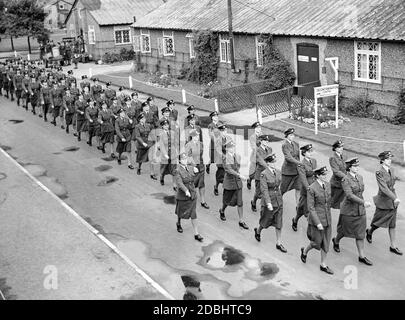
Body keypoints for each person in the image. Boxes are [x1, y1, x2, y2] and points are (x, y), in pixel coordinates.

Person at [332, 158, 373, 265]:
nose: (357, 168)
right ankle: (336, 240)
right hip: (349, 210)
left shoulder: (360, 177)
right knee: (344, 231)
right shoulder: (345, 179)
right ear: (349, 167)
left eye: (357, 166)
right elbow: (349, 195)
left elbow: (360, 191)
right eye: (354, 166)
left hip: (360, 210)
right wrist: (363, 202)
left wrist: (362, 204)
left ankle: (361, 256)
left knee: (360, 233)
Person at [366, 151, 402, 255]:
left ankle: (393, 246)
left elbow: (394, 179)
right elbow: (384, 188)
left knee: (392, 223)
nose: (390, 160)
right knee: (379, 220)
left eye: (390, 158)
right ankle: (370, 231)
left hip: (392, 199)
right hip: (384, 200)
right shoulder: (379, 172)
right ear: (382, 160)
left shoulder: (392, 169)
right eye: (387, 159)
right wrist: (395, 198)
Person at [300, 166, 334, 275]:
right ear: (318, 176)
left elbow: (328, 202)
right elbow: (311, 207)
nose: (325, 176)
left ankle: (323, 264)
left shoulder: (328, 185)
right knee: (316, 243)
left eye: (326, 174)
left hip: (327, 219)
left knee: (326, 243)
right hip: (317, 220)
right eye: (323, 174)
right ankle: (304, 251)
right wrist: (318, 222)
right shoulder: (312, 188)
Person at [254, 153, 287, 253]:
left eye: (275, 162)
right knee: (265, 220)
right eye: (272, 162)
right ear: (268, 163)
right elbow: (264, 190)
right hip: (269, 201)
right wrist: (268, 203)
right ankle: (258, 231)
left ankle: (278, 243)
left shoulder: (278, 172)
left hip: (278, 200)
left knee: (279, 222)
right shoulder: (264, 174)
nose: (274, 164)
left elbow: (279, 185)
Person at [219, 138, 249, 230]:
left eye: (233, 147)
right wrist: (240, 175)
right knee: (227, 200)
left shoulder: (237, 156)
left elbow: (237, 167)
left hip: (238, 183)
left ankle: (241, 221)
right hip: (229, 182)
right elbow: (229, 169)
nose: (232, 148)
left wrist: (242, 174)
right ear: (227, 148)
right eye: (230, 147)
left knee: (240, 202)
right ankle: (222, 210)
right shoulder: (225, 158)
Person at [174, 152, 204, 242]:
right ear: (179, 160)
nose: (185, 160)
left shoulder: (190, 167)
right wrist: (186, 191)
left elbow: (195, 173)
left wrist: (195, 168)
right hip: (183, 195)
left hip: (192, 194)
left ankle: (196, 233)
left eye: (186, 158)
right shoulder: (177, 170)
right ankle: (178, 223)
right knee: (181, 211)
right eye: (183, 159)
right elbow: (179, 183)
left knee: (193, 214)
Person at [292, 144, 317, 231]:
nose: (311, 153)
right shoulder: (301, 164)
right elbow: (303, 178)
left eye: (311, 151)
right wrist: (308, 188)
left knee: (312, 208)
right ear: (304, 153)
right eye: (308, 152)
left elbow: (315, 174)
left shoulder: (314, 161)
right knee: (301, 210)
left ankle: (312, 227)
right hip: (306, 190)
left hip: (314, 187)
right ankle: (295, 220)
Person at [185, 129, 209, 209]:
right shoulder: (188, 145)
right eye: (195, 136)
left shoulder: (201, 144)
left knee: (201, 184)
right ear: (191, 136)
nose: (197, 137)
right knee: (192, 184)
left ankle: (203, 201)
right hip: (192, 167)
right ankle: (189, 199)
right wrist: (193, 166)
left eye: (198, 135)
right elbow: (187, 157)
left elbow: (201, 155)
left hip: (201, 166)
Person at [251, 135, 272, 212]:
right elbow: (260, 160)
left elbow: (271, 160)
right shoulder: (257, 150)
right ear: (261, 141)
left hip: (268, 174)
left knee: (267, 191)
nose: (266, 142)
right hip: (260, 174)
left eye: (267, 141)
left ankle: (265, 206)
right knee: (258, 192)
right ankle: (253, 202)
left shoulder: (270, 149)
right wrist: (268, 167)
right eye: (265, 140)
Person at [280, 128, 301, 206]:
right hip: (288, 171)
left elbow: (298, 156)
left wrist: (299, 166)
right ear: (287, 136)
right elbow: (288, 157)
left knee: (299, 188)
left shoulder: (296, 144)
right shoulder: (285, 145)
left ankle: (298, 206)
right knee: (283, 189)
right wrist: (299, 163)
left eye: (293, 135)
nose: (292, 136)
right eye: (291, 135)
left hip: (296, 171)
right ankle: (278, 200)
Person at [156, 118, 178, 189]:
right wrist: (165, 154)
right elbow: (161, 145)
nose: (166, 126)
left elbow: (175, 143)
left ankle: (174, 184)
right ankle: (161, 177)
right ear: (162, 126)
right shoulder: (160, 134)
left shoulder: (173, 133)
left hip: (173, 153)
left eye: (167, 125)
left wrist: (177, 151)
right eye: (164, 125)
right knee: (163, 168)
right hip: (165, 154)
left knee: (174, 169)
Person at [329, 140, 347, 209]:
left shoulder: (344, 156)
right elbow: (336, 171)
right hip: (336, 185)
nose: (341, 148)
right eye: (339, 147)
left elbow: (347, 167)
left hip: (344, 183)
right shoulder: (333, 158)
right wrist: (346, 176)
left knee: (344, 204)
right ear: (335, 148)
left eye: (342, 146)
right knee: (329, 203)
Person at [247, 121, 262, 190]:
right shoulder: (252, 137)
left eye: (259, 127)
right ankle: (249, 179)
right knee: (253, 172)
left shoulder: (262, 135)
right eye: (257, 128)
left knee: (261, 172)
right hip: (255, 157)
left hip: (262, 156)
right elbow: (254, 147)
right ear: (255, 129)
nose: (259, 129)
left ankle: (259, 187)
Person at [214, 122, 227, 196]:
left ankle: (225, 187)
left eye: (225, 131)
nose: (224, 132)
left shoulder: (226, 138)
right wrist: (223, 155)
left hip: (226, 159)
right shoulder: (218, 139)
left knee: (226, 174)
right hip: (220, 160)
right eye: (223, 131)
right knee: (220, 174)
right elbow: (218, 150)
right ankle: (216, 186)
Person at [206, 111, 220, 175]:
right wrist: (215, 141)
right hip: (213, 143)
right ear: (212, 118)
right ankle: (208, 165)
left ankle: (219, 171)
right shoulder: (210, 125)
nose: (216, 117)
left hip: (220, 143)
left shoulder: (219, 124)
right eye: (214, 116)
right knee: (212, 158)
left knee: (219, 156)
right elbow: (210, 134)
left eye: (217, 116)